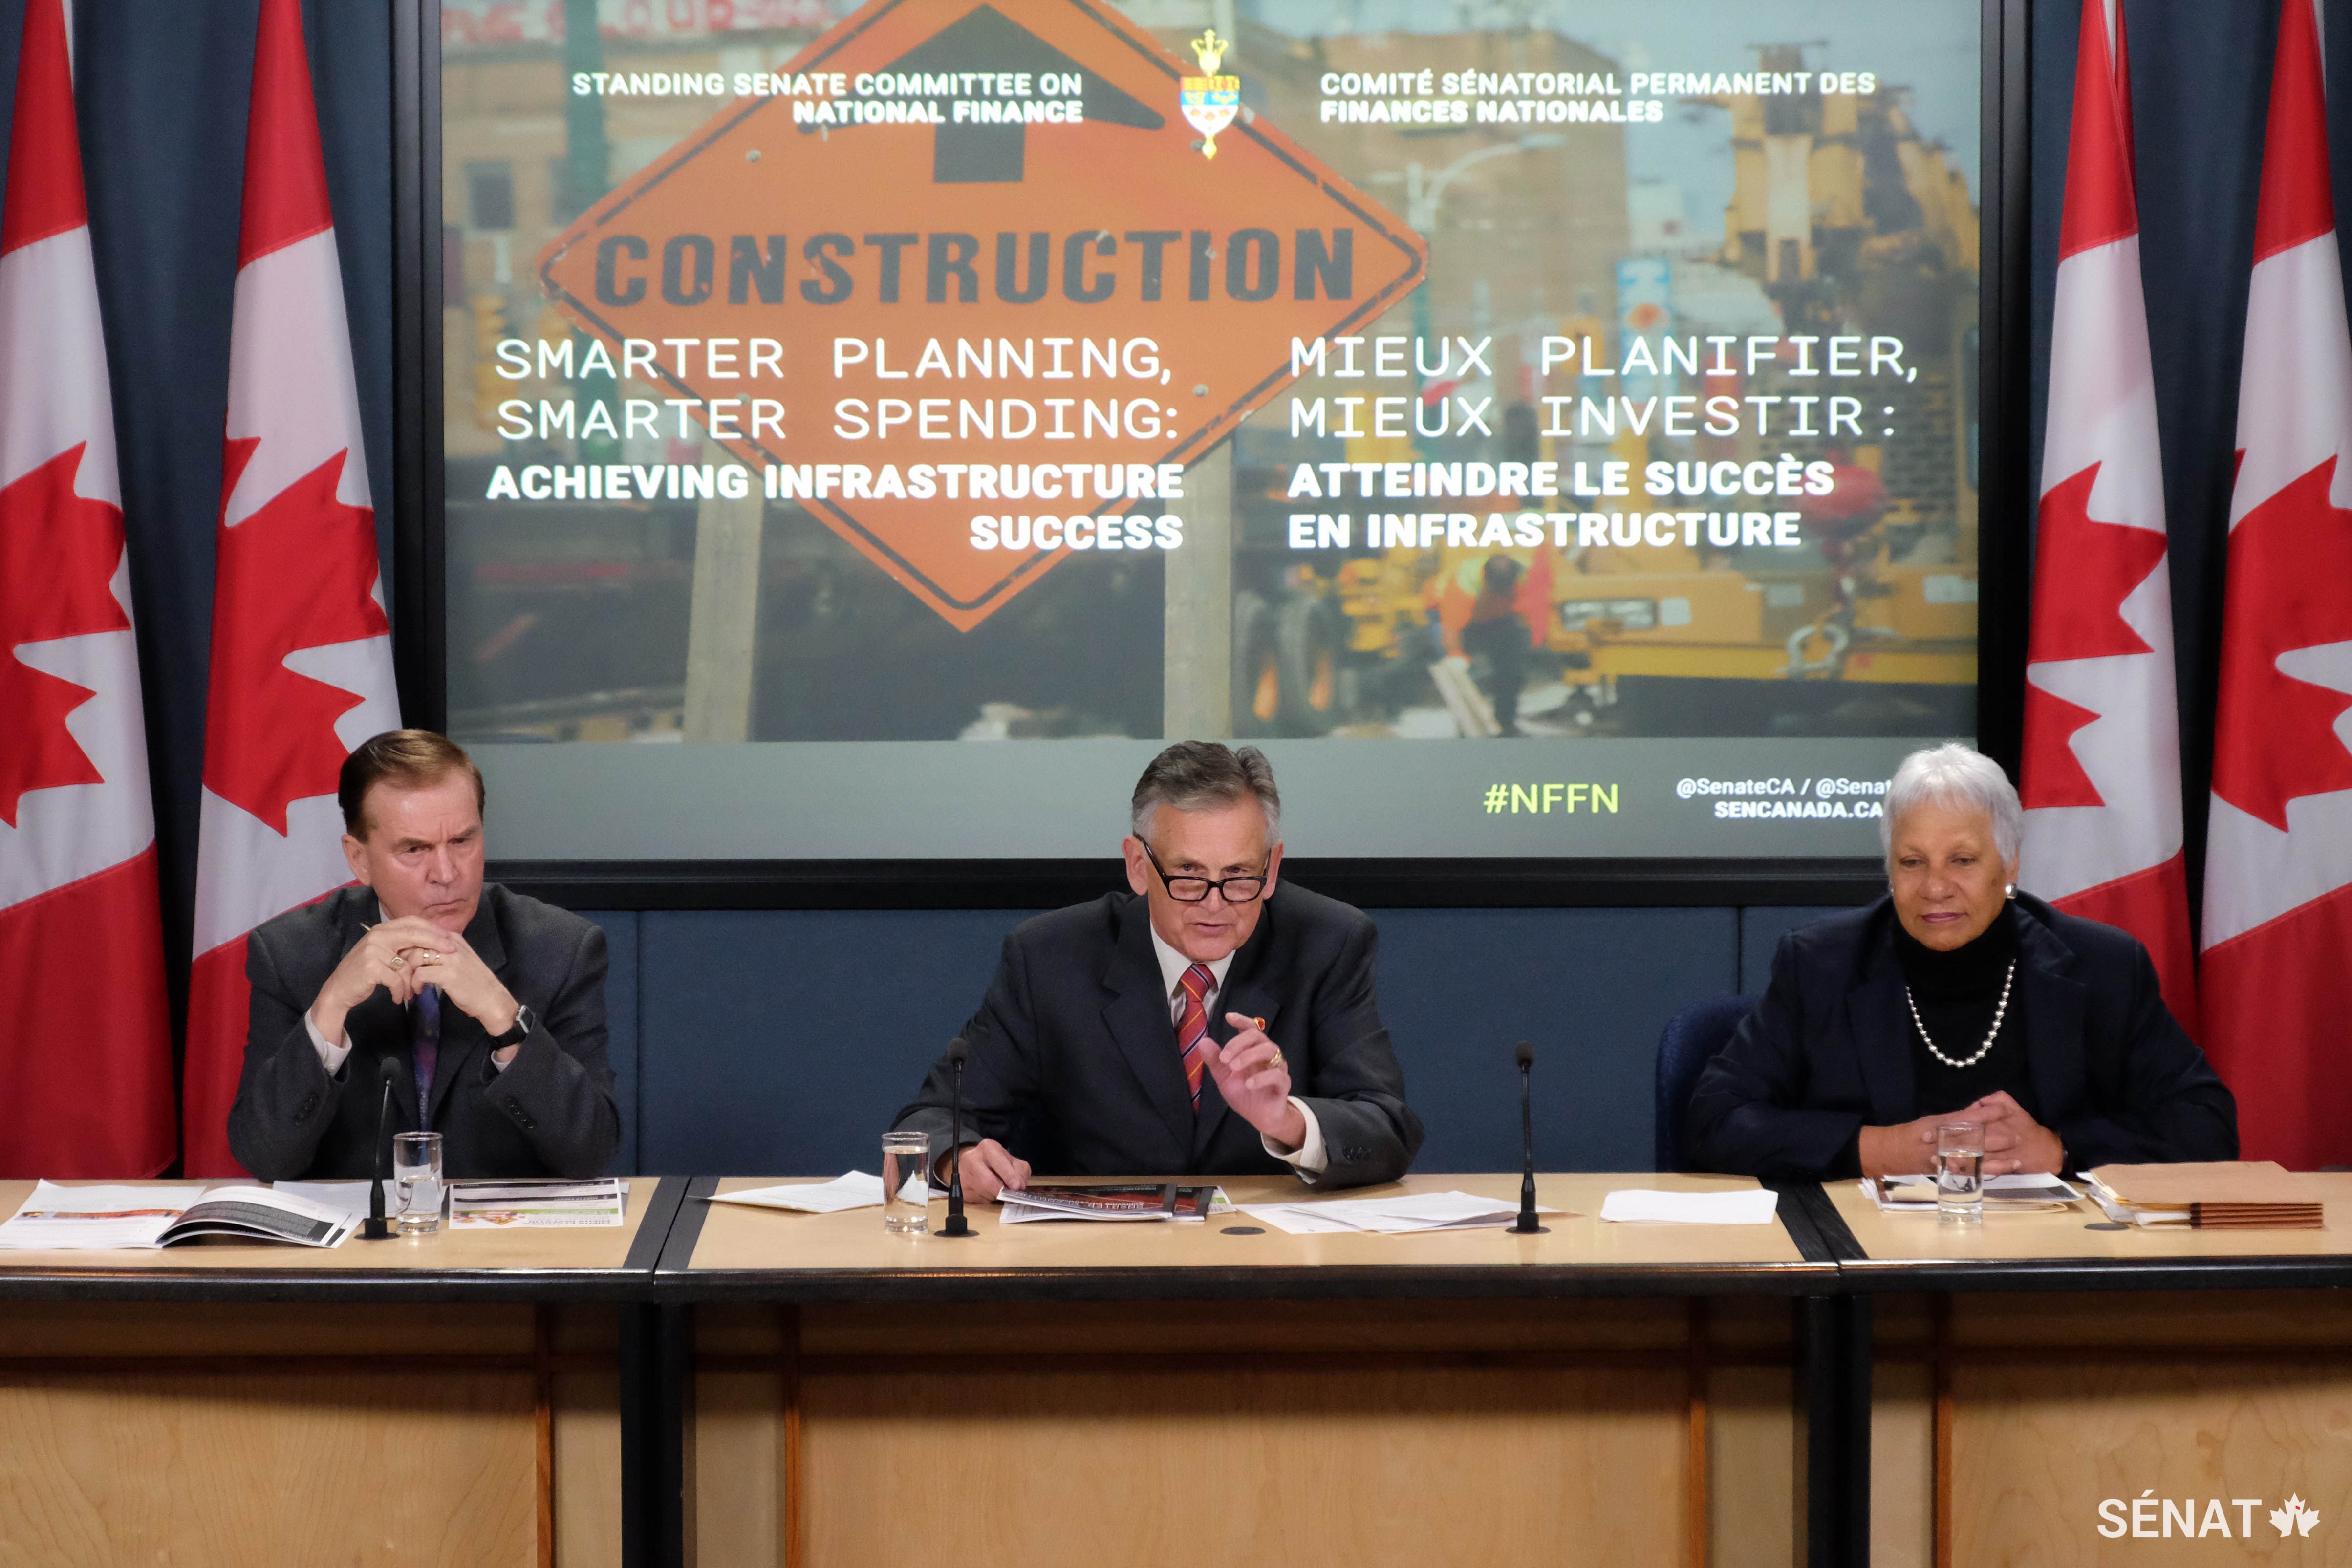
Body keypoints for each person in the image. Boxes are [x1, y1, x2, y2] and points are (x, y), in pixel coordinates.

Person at [893, 741, 1423, 1198]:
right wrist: (953, 1159)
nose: (1214, 904)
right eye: (1188, 875)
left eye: (1239, 875)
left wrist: (1286, 1121)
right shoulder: (1051, 956)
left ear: (1273, 868)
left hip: (1270, 1263)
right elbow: (927, 1124)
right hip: (1098, 1269)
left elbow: (1388, 1129)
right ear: (1137, 865)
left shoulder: (1327, 942)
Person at [1687, 742, 2236, 1180]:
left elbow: (2206, 1123)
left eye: (1962, 859)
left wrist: (2058, 1148)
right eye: (1911, 861)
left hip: (2055, 1270)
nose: (1935, 886)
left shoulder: (2102, 968)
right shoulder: (1821, 965)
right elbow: (1716, 1114)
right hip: (1868, 1270)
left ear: (2010, 860)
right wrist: (1884, 1148)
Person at [227, 730, 621, 1180]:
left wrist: (505, 1019)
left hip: (503, 1244)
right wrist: (329, 1008)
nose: (447, 873)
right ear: (359, 859)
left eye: (462, 841)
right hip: (353, 1244)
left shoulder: (559, 949)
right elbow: (264, 1156)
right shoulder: (291, 954)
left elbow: (589, 1153)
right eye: (415, 850)